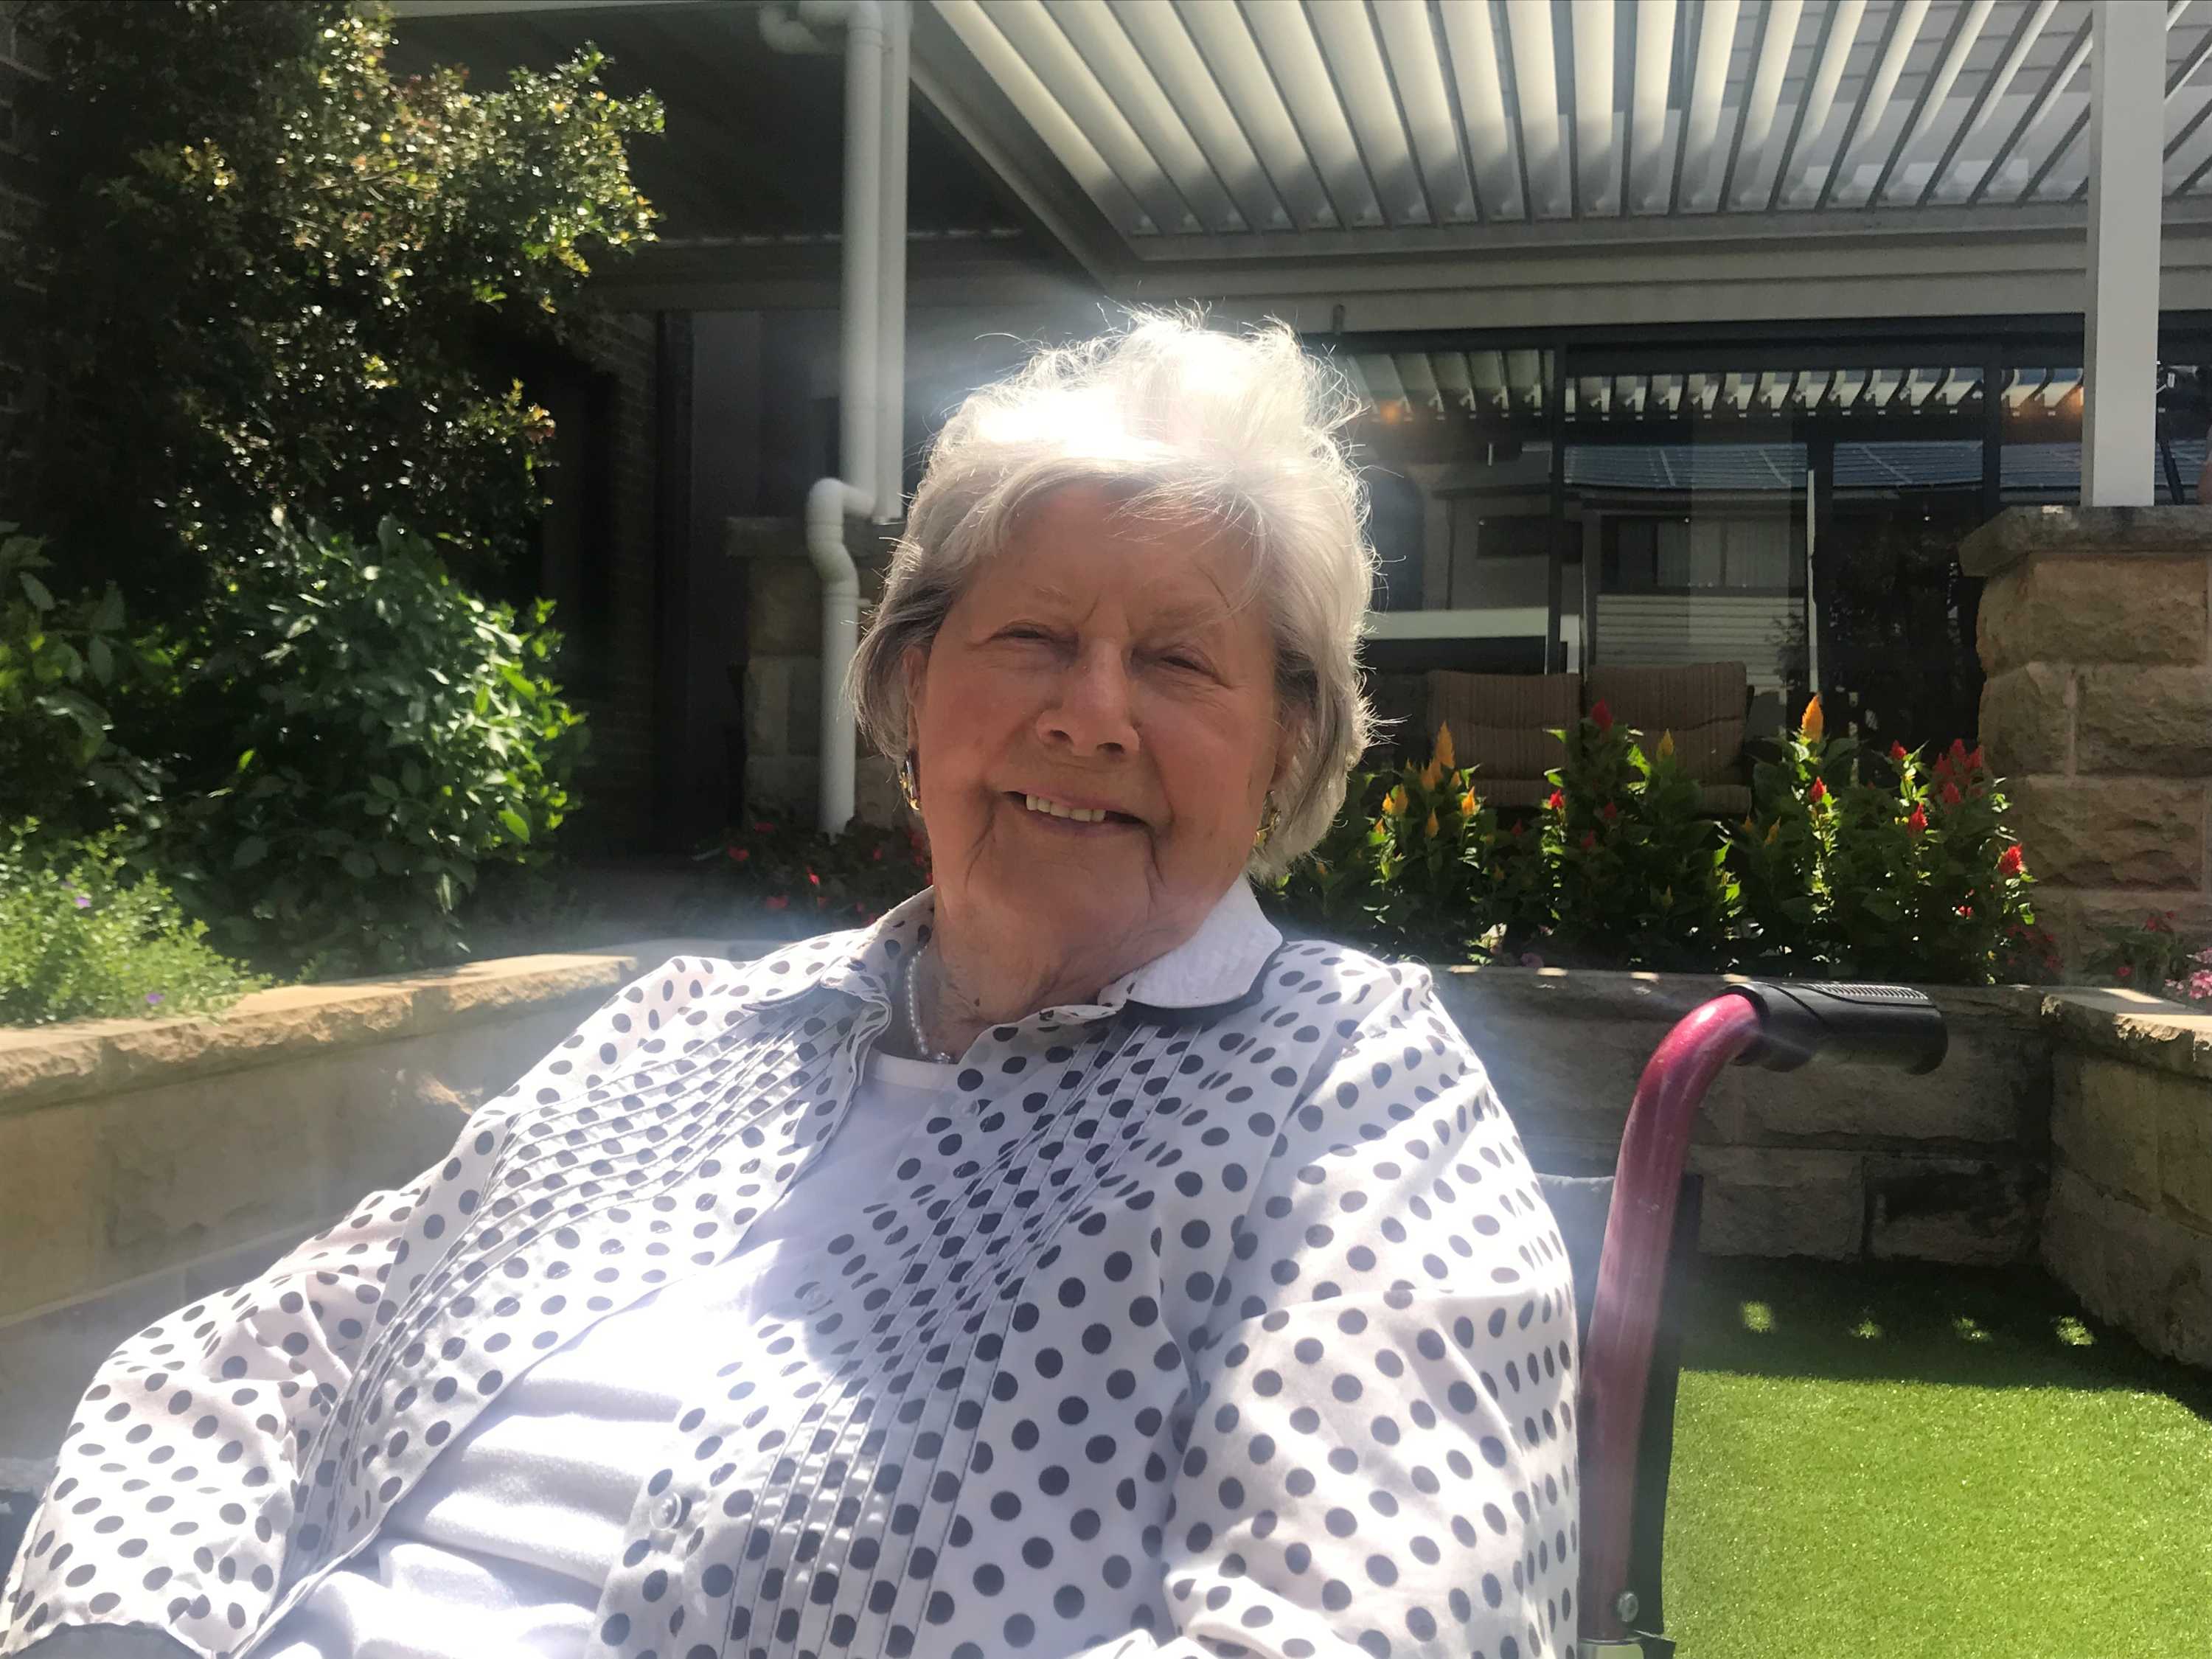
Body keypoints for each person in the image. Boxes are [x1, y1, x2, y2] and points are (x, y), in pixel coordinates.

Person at [2, 316, 1579, 1659]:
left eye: (1177, 661)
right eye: (1034, 636)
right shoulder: (688, 1021)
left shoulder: (1349, 1086)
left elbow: (1367, 1622)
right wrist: (121, 1630)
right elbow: (253, 1360)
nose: (1092, 716)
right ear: (910, 683)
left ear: (1289, 742)